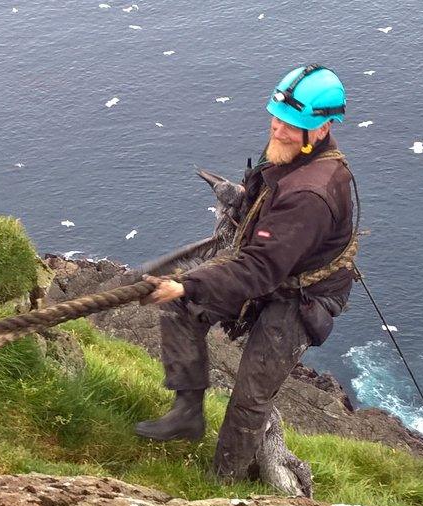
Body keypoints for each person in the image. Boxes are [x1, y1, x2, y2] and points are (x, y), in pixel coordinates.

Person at [136, 64, 357, 481]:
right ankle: (187, 413)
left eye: (292, 124)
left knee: (251, 396)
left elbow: (260, 269)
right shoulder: (296, 154)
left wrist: (185, 282)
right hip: (274, 268)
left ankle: (223, 484)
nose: (278, 129)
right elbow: (266, 239)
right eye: (276, 118)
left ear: (324, 128)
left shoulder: (312, 192)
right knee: (184, 309)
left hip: (300, 296)